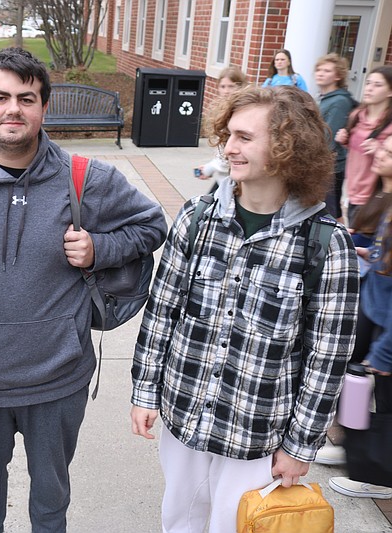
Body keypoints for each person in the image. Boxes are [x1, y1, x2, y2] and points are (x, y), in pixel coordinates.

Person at [0, 47, 167, 532]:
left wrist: (99, 248)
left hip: (58, 378)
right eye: (0, 97)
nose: (13, 109)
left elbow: (152, 225)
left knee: (50, 501)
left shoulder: (88, 179)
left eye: (27, 98)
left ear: (44, 107)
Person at [130, 85, 360, 533]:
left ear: (287, 147)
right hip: (184, 413)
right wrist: (145, 390)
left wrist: (300, 446)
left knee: (234, 527)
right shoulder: (196, 218)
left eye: (244, 138)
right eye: (228, 135)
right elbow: (162, 311)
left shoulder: (327, 245)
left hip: (257, 432)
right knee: (179, 522)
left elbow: (327, 359)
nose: (229, 148)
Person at [328, 135, 392, 499]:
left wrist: (385, 350)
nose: (379, 152)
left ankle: (379, 475)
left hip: (387, 325)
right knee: (358, 386)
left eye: (389, 152)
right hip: (374, 310)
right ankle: (357, 453)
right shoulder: (385, 199)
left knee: (385, 401)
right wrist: (368, 251)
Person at [336, 65, 392, 225]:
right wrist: (345, 140)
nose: (369, 88)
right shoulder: (357, 115)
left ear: (390, 92)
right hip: (353, 190)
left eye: (377, 85)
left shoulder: (389, 125)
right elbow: (357, 150)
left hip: (376, 196)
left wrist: (380, 150)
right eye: (368, 83)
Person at [316, 53, 356, 220]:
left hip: (331, 165)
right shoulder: (326, 99)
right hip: (324, 163)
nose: (320, 73)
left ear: (338, 76)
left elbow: (328, 137)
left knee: (330, 211)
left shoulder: (339, 101)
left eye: (327, 70)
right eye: (319, 69)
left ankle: (336, 243)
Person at [196, 66, 246, 192]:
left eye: (231, 86)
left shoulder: (240, 113)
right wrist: (211, 166)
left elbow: (229, 156)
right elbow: (221, 152)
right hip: (223, 178)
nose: (226, 91)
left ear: (241, 86)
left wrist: (210, 168)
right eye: (223, 86)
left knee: (206, 208)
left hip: (234, 180)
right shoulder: (222, 111)